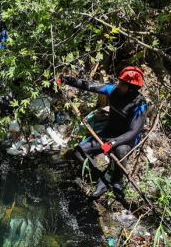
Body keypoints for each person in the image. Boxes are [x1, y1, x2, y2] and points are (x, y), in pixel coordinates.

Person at [59, 66, 147, 200]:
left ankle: (118, 182)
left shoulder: (139, 103)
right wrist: (65, 80)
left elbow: (134, 132)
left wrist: (113, 143)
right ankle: (100, 179)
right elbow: (89, 85)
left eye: (122, 84)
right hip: (109, 132)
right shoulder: (113, 90)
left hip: (126, 138)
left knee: (120, 151)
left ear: (131, 88)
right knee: (78, 151)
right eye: (119, 81)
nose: (118, 85)